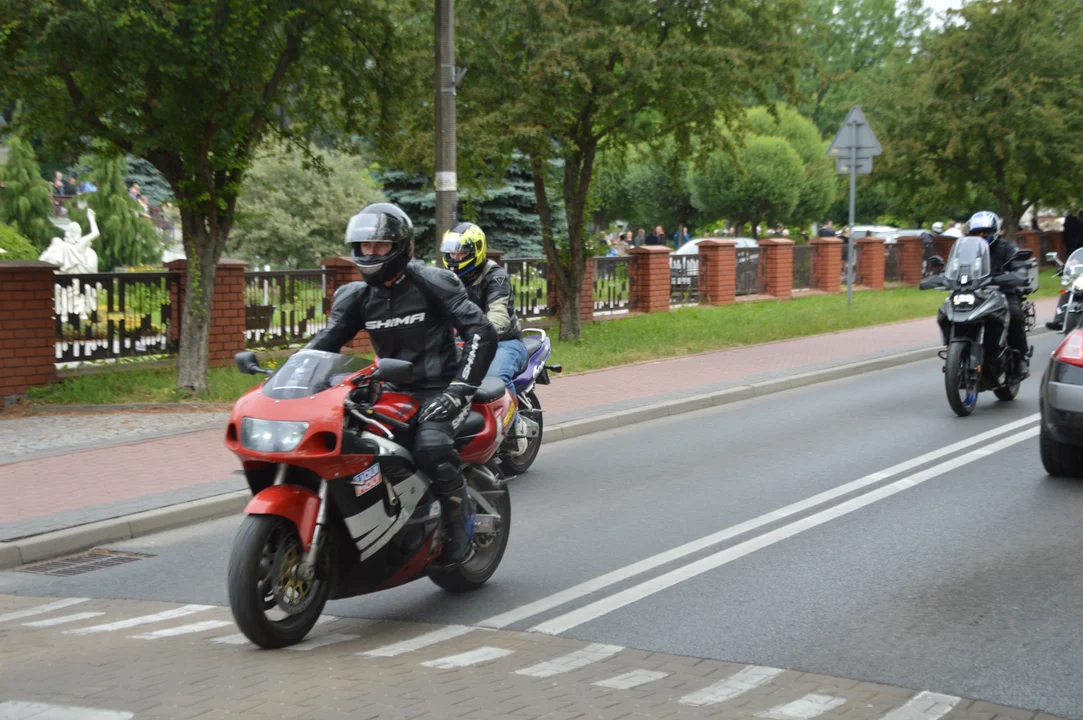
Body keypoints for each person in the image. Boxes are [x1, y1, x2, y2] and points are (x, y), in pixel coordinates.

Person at [307, 203, 497, 565]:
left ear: (401, 246)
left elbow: (480, 331)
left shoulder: (432, 281)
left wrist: (459, 390)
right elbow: (326, 343)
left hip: (439, 390)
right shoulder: (357, 296)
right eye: (365, 246)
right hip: (390, 391)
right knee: (351, 445)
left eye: (379, 246)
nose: (371, 253)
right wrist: (288, 376)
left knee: (430, 445)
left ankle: (460, 525)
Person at [441, 222, 532, 453]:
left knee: (494, 378)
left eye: (461, 252)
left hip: (504, 342)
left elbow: (499, 316)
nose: (455, 257)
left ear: (476, 250)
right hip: (466, 342)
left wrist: (478, 335)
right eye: (452, 251)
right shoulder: (447, 279)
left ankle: (515, 426)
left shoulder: (495, 276)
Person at [965, 211, 1029, 376]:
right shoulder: (967, 250)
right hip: (974, 292)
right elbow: (956, 266)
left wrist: (1016, 273)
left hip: (1003, 291)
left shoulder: (1007, 248)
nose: (981, 235)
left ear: (994, 231)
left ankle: (1021, 357)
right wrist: (942, 276)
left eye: (985, 232)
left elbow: (1018, 266)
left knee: (1014, 315)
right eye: (976, 233)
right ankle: (959, 350)